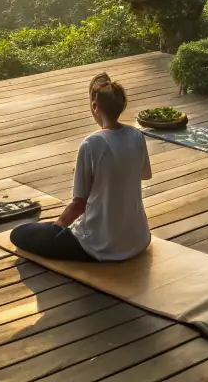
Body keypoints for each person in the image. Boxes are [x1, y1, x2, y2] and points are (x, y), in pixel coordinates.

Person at [10, 72, 152, 262]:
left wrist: (56, 230)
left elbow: (78, 205)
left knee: (19, 234)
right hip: (138, 238)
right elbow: (145, 174)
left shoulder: (91, 144)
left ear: (95, 106)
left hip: (100, 244)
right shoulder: (136, 136)